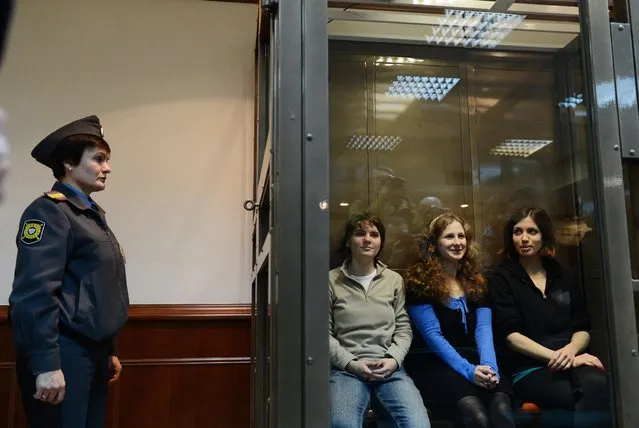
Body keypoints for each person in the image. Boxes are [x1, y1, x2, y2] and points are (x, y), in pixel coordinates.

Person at [9, 115, 130, 428]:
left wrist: (108, 349)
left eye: (107, 160)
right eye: (99, 159)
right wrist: (46, 363)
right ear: (68, 163)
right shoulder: (49, 211)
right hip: (62, 352)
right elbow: (33, 294)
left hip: (91, 353)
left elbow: (96, 289)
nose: (108, 168)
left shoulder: (89, 215)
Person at [489, 206, 609, 427]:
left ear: (543, 235)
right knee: (567, 396)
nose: (524, 239)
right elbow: (511, 335)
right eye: (518, 232)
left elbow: (581, 324)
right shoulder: (502, 278)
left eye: (532, 232)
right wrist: (560, 357)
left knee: (599, 386)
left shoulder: (562, 274)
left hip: (572, 357)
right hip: (528, 367)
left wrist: (571, 351)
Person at [404, 213, 515, 428]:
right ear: (434, 244)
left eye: (461, 236)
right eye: (449, 237)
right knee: (475, 415)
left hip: (478, 361)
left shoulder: (476, 281)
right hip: (436, 364)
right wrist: (469, 371)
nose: (457, 242)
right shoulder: (418, 283)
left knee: (501, 409)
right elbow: (433, 337)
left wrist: (489, 367)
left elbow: (483, 331)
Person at [329, 213, 430, 428]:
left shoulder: (394, 280)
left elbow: (403, 329)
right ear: (348, 241)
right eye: (359, 234)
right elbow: (323, 335)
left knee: (417, 425)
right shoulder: (331, 280)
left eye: (374, 234)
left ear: (380, 242)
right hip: (347, 371)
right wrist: (351, 364)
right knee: (342, 424)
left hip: (390, 370)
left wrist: (393, 360)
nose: (367, 239)